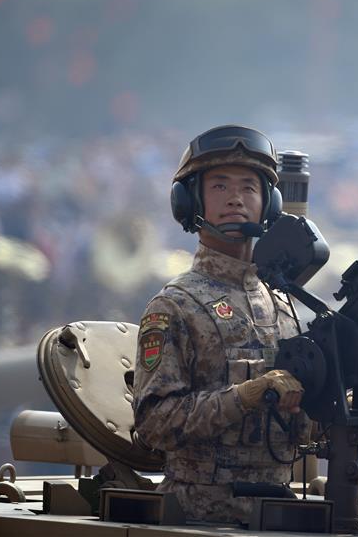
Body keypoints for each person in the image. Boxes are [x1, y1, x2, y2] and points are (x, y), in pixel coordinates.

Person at [132, 125, 310, 525]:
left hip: (279, 514)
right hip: (197, 518)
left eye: (249, 188)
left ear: (270, 204)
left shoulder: (284, 305)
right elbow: (154, 424)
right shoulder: (175, 306)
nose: (235, 199)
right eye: (219, 187)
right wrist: (245, 396)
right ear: (190, 202)